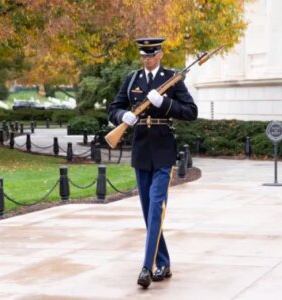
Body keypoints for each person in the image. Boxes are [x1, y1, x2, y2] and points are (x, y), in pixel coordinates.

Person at [108, 37, 198, 288]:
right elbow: (113, 108)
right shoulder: (132, 79)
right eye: (144, 56)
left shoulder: (172, 79)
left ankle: (147, 267)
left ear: (160, 54)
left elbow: (191, 111)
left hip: (162, 149)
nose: (147, 60)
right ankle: (164, 261)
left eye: (151, 55)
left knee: (156, 206)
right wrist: (122, 115)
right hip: (140, 150)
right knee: (149, 212)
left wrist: (165, 103)